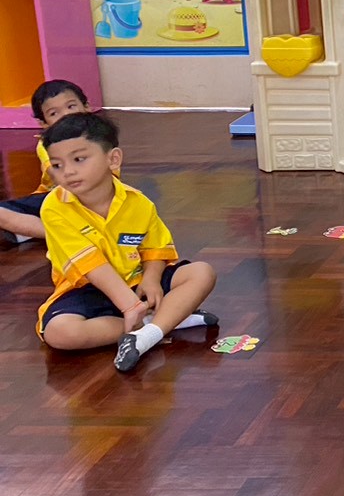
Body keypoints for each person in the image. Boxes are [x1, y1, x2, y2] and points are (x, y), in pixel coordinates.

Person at [34, 112, 218, 372]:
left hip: (136, 282)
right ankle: (160, 324)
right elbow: (91, 266)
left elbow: (155, 249)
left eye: (79, 159)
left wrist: (151, 279)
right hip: (87, 290)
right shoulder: (54, 207)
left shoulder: (138, 202)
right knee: (60, 333)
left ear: (113, 159)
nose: (68, 172)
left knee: (201, 272)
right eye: (57, 165)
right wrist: (130, 306)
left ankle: (146, 333)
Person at [0, 79, 91, 245]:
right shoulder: (46, 144)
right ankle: (67, 233)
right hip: (56, 198)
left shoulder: (100, 137)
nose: (66, 115)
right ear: (43, 123)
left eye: (71, 106)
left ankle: (35, 230)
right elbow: (58, 177)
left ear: (87, 107)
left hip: (93, 198)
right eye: (54, 113)